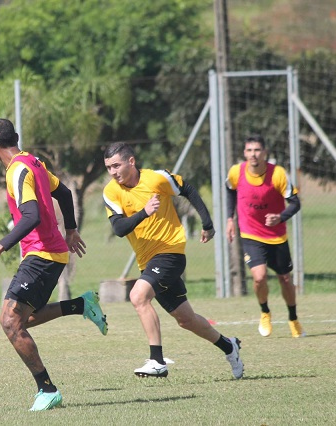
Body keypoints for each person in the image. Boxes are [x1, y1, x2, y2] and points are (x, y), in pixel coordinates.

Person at [0, 118, 108, 411]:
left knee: (10, 322)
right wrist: (70, 229)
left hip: (42, 255)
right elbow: (65, 193)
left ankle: (47, 390)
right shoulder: (33, 162)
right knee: (24, 320)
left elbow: (31, 215)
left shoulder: (17, 171)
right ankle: (81, 305)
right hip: (47, 253)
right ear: (16, 138)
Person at [102, 142, 243, 380]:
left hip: (171, 252)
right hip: (147, 260)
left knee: (138, 296)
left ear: (131, 161)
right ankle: (229, 346)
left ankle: (157, 361)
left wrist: (207, 223)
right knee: (186, 320)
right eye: (108, 167)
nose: (113, 172)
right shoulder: (111, 191)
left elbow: (187, 189)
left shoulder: (156, 179)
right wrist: (144, 212)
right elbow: (119, 228)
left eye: (117, 165)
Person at [226, 135, 305, 338]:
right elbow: (230, 190)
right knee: (259, 277)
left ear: (265, 153)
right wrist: (229, 219)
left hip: (277, 236)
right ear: (245, 153)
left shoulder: (277, 174)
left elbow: (295, 203)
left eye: (257, 150)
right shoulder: (236, 172)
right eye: (249, 150)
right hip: (250, 234)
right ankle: (265, 312)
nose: (253, 154)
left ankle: (293, 318)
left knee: (285, 279)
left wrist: (280, 217)